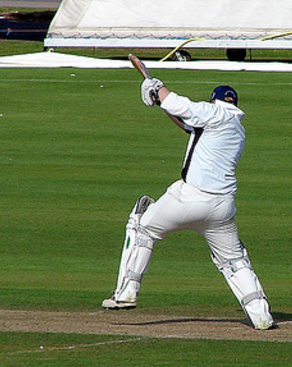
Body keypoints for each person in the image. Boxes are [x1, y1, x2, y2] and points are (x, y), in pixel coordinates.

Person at [101, 77, 274, 330]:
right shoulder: (236, 128)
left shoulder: (213, 112)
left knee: (141, 227)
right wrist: (159, 103)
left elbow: (178, 104)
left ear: (213, 100)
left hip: (189, 198)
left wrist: (157, 88)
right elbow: (187, 124)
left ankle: (126, 292)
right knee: (235, 261)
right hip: (221, 207)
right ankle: (261, 316)